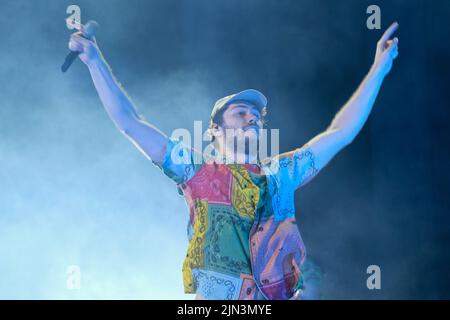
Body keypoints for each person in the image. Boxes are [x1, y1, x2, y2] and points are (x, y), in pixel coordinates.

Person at [67, 21, 399, 300]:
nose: (252, 117)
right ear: (215, 129)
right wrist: (94, 61)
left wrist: (378, 71)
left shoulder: (281, 174)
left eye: (256, 114)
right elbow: (130, 122)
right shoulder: (196, 171)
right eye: (241, 112)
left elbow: (340, 131)